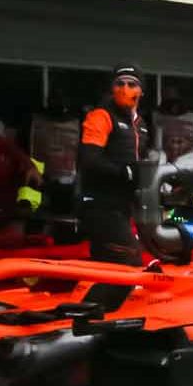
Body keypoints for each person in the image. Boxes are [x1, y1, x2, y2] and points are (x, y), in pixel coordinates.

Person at [77, 66, 150, 264]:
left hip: (125, 207)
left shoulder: (141, 125)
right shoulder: (101, 116)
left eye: (131, 84)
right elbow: (89, 159)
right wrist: (123, 171)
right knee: (130, 261)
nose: (125, 88)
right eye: (119, 83)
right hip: (101, 205)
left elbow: (140, 164)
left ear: (141, 91)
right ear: (112, 87)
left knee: (109, 265)